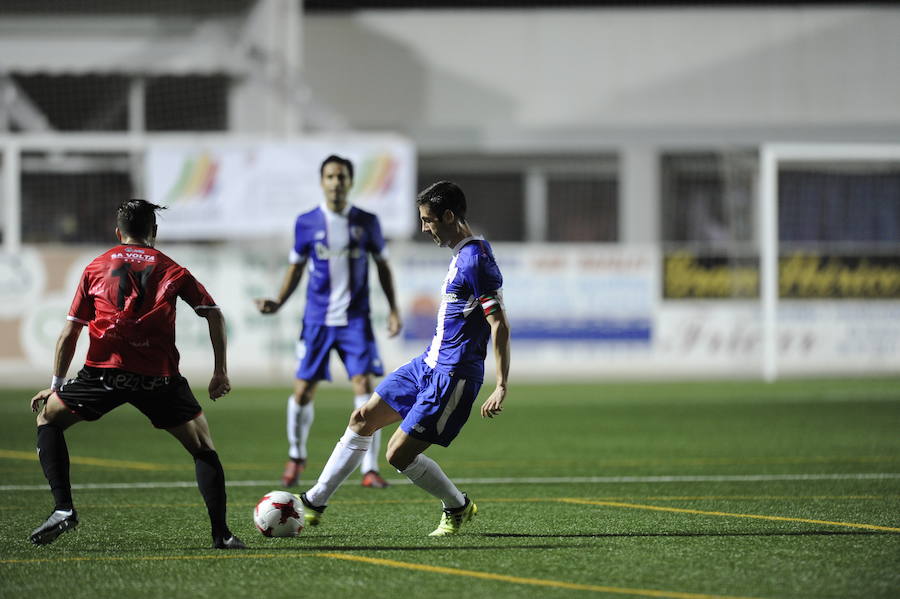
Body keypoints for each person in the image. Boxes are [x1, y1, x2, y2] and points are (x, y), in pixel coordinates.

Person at [28, 199, 246, 550]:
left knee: (48, 419)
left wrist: (55, 387)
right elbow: (214, 314)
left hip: (103, 374)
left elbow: (70, 333)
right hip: (157, 378)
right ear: (154, 232)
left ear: (118, 232)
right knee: (203, 448)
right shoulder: (172, 268)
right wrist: (220, 371)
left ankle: (64, 508)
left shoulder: (96, 267)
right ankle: (221, 534)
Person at [297, 180, 510, 536]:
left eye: (428, 220)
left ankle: (456, 506)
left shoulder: (476, 261)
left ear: (448, 216)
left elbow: (498, 323)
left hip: (452, 376)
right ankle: (313, 501)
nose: (425, 228)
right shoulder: (462, 254)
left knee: (397, 455)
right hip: (426, 364)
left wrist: (501, 384)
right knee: (362, 417)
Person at [255, 154, 402, 489]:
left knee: (364, 389)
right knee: (303, 391)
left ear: (350, 182)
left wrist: (394, 309)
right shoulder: (306, 222)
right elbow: (295, 266)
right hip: (317, 321)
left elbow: (382, 266)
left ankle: (369, 468)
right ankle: (296, 456)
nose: (336, 182)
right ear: (322, 182)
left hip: (355, 322)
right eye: (331, 177)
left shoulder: (367, 221)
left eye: (342, 177)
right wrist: (278, 301)